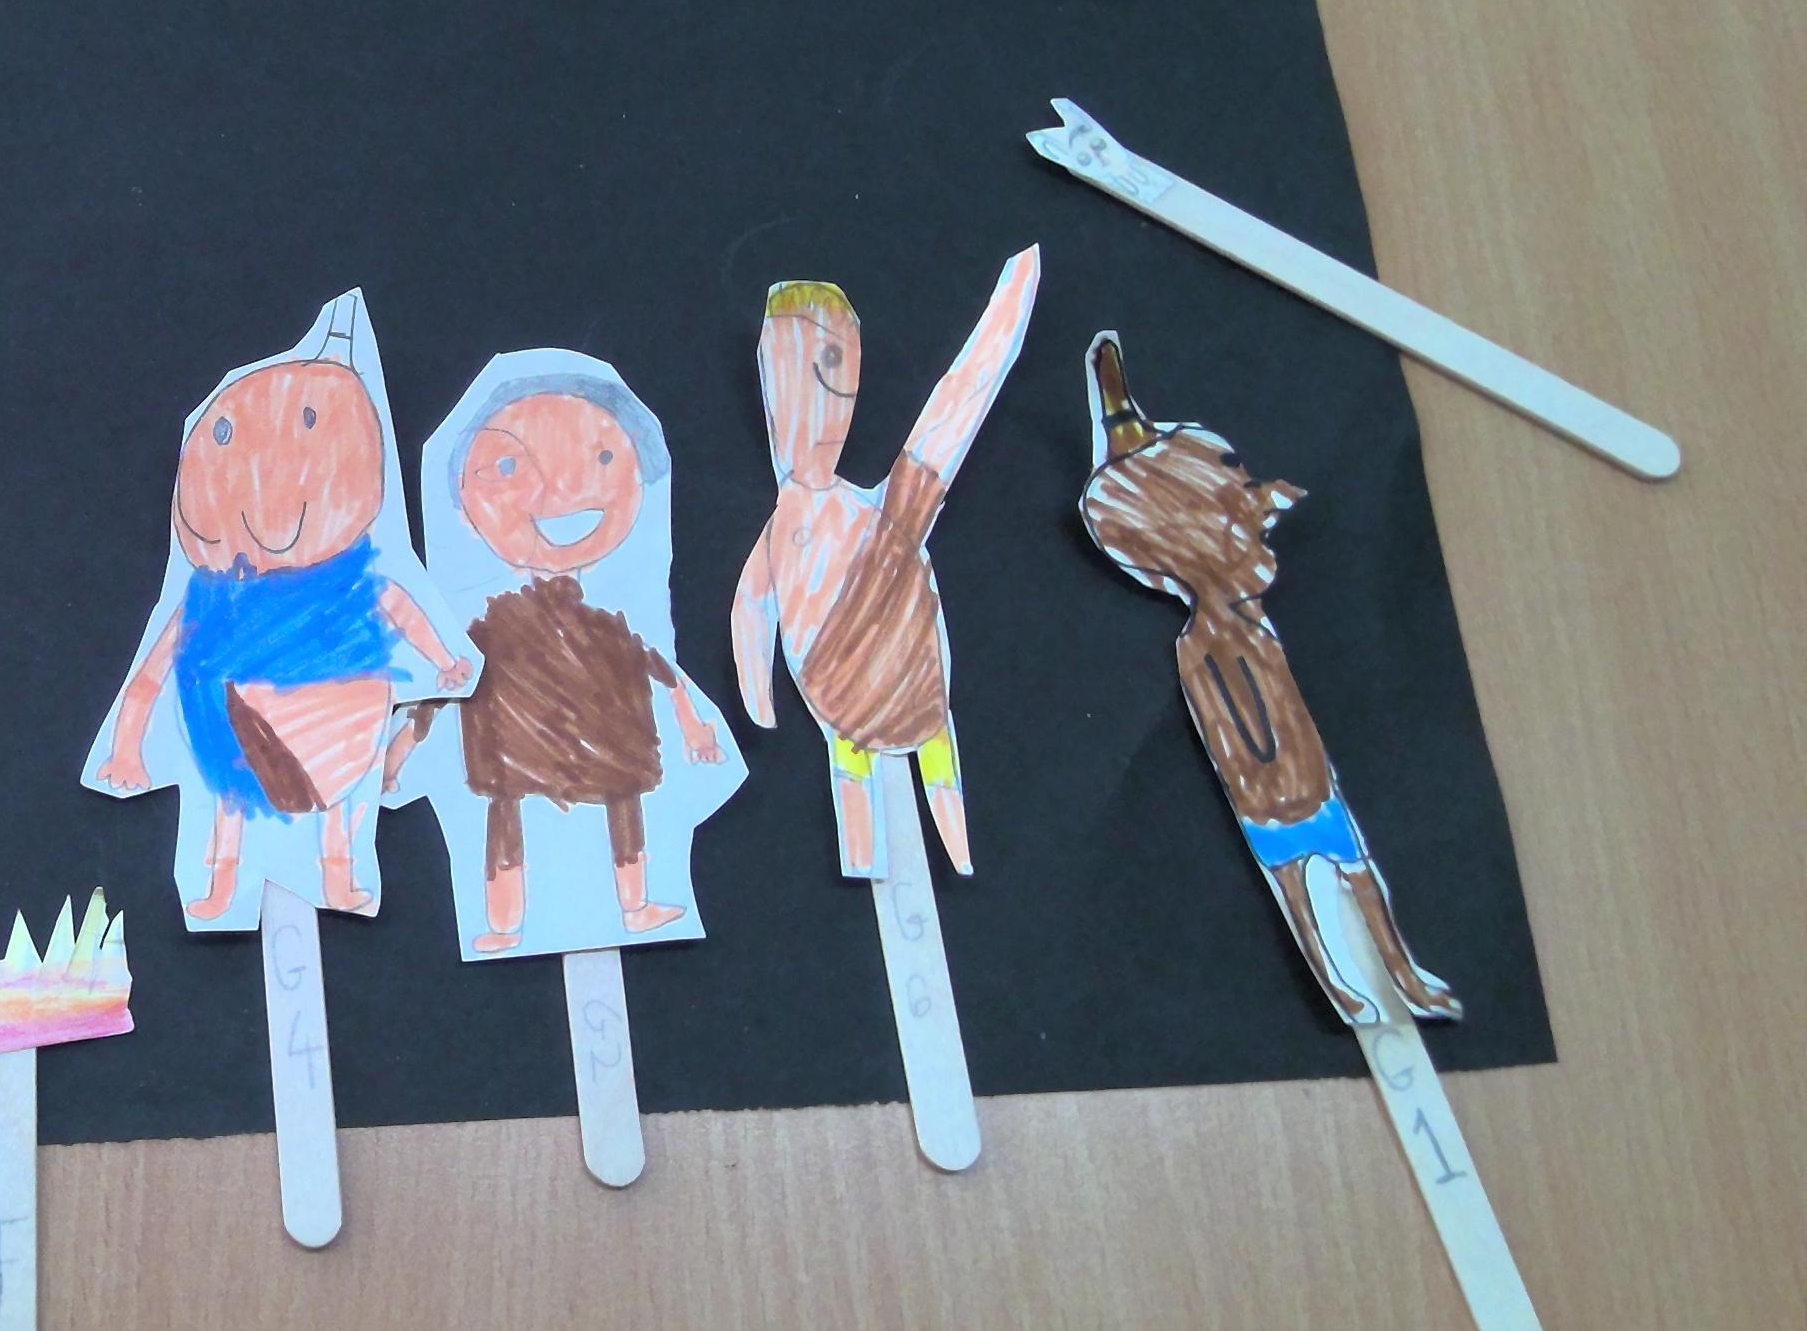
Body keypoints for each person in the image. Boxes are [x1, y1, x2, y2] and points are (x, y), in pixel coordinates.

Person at [1077, 331, 1458, 1024]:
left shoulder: (1246, 625)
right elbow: (1238, 732)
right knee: (1303, 895)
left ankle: (1404, 975)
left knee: (1357, 878)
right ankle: (1343, 989)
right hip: (1273, 802)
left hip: (1311, 788)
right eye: (1237, 520)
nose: (1257, 525)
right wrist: (1272, 789)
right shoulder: (1201, 644)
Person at [88, 290, 474, 921]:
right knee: (231, 802)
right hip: (239, 735)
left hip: (341, 736)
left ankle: (338, 879)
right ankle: (224, 887)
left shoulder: (352, 584)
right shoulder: (210, 601)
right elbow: (150, 677)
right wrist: (127, 748)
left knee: (337, 809)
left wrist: (445, 661)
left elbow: (400, 608)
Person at [383, 358, 741, 955]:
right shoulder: (491, 629)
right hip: (513, 733)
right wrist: (398, 752)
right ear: (463, 503)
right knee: (507, 806)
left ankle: (632, 906)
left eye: (600, 457)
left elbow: (660, 669)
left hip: (607, 727)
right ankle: (507, 922)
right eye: (508, 467)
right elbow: (445, 688)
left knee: (622, 794)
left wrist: (694, 726)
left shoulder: (610, 624)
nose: (562, 490)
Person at [730, 248, 1039, 880]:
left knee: (930, 774)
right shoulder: (803, 524)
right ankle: (870, 856)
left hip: (909, 684)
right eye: (789, 372)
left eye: (830, 371)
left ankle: (947, 849)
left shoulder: (893, 511)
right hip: (841, 697)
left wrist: (1011, 303)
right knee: (859, 779)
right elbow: (752, 607)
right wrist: (758, 691)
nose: (810, 407)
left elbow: (964, 396)